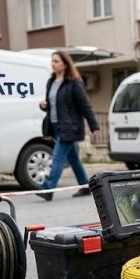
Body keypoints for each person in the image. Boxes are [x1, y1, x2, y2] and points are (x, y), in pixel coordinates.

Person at [36, 51, 99, 201]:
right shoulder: (51, 82)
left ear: (65, 64)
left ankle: (48, 188)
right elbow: (53, 104)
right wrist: (43, 105)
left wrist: (93, 125)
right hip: (55, 125)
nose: (53, 64)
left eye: (56, 61)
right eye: (52, 61)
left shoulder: (74, 83)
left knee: (57, 157)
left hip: (70, 127)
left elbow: (85, 106)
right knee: (73, 159)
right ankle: (85, 186)